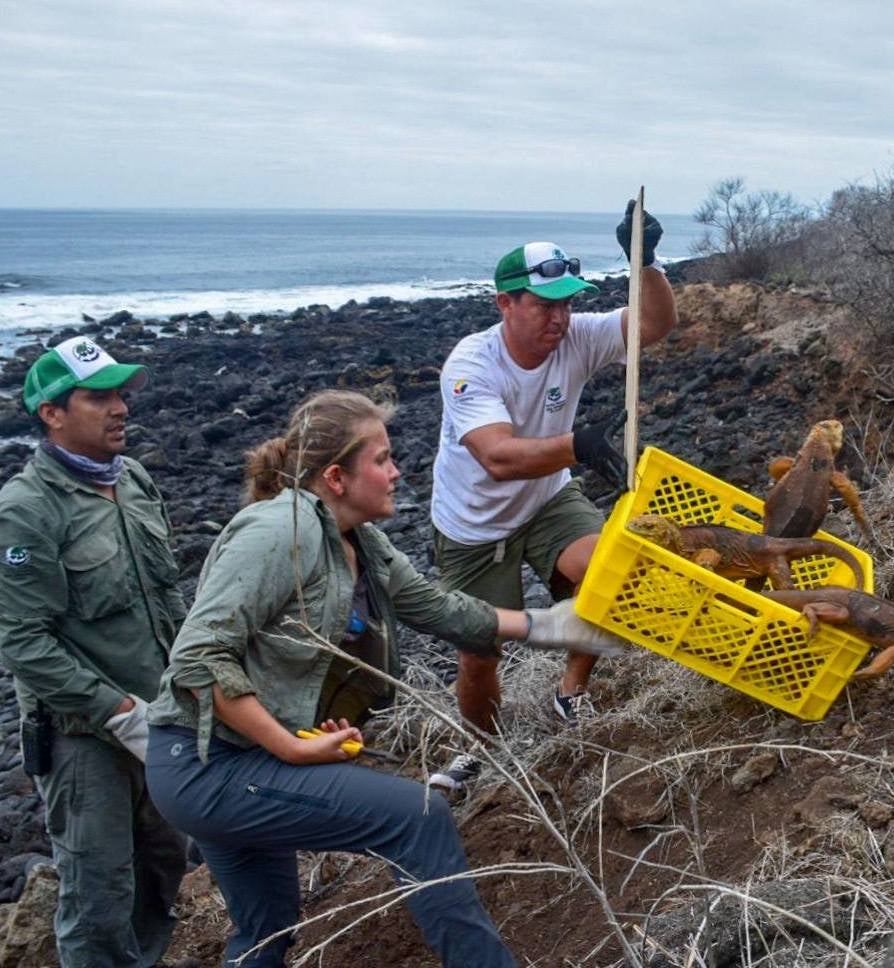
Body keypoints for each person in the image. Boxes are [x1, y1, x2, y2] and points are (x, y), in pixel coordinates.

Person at [144, 389, 623, 968]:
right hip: (206, 765)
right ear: (336, 477)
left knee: (267, 927)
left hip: (240, 759)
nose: (398, 471)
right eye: (382, 459)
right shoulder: (277, 533)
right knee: (416, 816)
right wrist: (287, 748)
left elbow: (439, 607)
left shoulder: (361, 542)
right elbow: (197, 659)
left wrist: (555, 626)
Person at [429, 201, 678, 791]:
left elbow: (654, 326)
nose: (559, 318)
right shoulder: (471, 364)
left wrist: (646, 263)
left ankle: (571, 691)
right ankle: (483, 750)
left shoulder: (577, 337)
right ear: (505, 304)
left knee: (607, 572)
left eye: (567, 303)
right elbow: (496, 455)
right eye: (544, 305)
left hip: (546, 500)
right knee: (480, 653)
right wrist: (583, 445)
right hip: (474, 526)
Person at [0, 336, 189, 967]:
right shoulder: (26, 511)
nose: (120, 409)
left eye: (122, 394)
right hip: (85, 738)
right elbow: (24, 640)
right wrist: (116, 710)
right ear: (52, 412)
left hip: (161, 720)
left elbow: (166, 599)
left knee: (163, 871)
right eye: (99, 396)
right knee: (98, 894)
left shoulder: (131, 479)